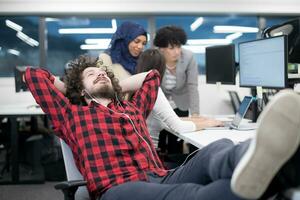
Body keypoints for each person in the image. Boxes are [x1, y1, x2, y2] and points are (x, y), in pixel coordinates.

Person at [25, 54, 300, 200]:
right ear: (79, 89)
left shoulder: (131, 108)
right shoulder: (71, 114)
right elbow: (33, 76)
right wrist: (74, 90)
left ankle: (270, 155)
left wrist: (115, 84)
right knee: (189, 196)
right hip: (118, 188)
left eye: (102, 72)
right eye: (91, 75)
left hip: (160, 175)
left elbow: (152, 77)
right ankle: (286, 171)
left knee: (221, 148)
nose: (99, 73)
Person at [136, 49, 222, 148]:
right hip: (149, 158)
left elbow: (168, 121)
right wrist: (209, 124)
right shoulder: (154, 90)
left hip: (142, 153)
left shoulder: (140, 87)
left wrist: (198, 120)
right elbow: (179, 127)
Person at [153, 25, 200, 154]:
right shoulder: (155, 57)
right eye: (171, 48)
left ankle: (176, 169)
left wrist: (195, 113)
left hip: (181, 103)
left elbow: (192, 85)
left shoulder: (189, 57)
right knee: (161, 139)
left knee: (177, 140)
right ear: (161, 49)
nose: (177, 51)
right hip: (161, 104)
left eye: (179, 46)